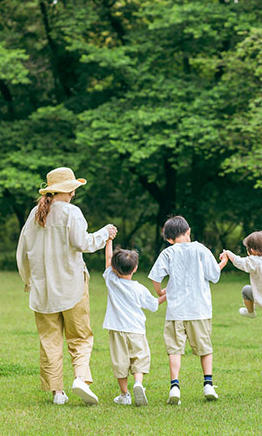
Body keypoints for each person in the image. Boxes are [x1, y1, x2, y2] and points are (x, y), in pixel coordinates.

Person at [17, 167, 117, 405]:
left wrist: (28, 280)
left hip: (42, 291)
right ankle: (80, 379)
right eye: (73, 189)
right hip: (72, 286)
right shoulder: (72, 212)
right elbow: (82, 243)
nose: (74, 194)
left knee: (49, 340)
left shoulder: (35, 214)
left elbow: (22, 251)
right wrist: (105, 233)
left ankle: (57, 392)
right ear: (68, 189)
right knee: (80, 337)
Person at [148, 216, 226, 405]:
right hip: (199, 310)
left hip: (176, 310)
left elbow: (156, 276)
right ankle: (208, 383)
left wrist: (160, 291)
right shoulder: (201, 250)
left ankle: (175, 386)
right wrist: (224, 261)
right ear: (188, 231)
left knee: (174, 350)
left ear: (168, 238)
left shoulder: (168, 253)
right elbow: (214, 275)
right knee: (205, 348)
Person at [102, 239, 166, 406]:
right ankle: (138, 383)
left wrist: (109, 240)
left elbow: (108, 259)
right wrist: (168, 294)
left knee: (120, 363)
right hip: (136, 330)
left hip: (117, 329)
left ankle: (125, 395)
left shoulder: (111, 280)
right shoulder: (139, 288)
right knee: (139, 359)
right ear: (135, 268)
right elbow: (154, 304)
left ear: (114, 269)